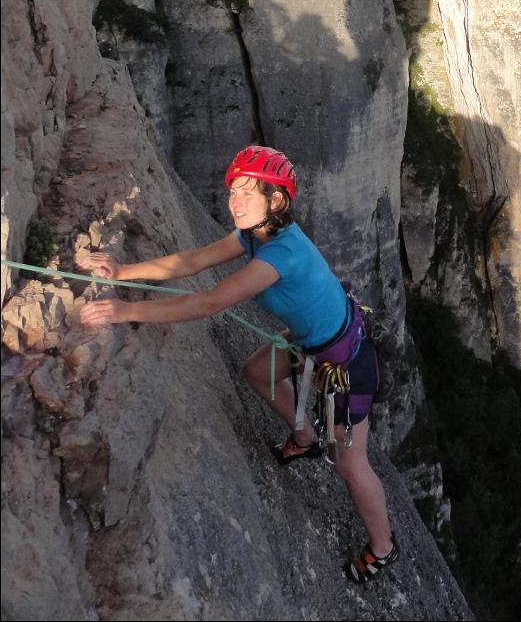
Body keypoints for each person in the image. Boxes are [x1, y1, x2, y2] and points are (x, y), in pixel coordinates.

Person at [78, 144, 398, 584]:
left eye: (249, 192)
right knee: (257, 372)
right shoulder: (254, 235)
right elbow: (191, 262)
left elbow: (209, 302)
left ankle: (383, 547)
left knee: (350, 465)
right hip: (314, 342)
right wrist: (122, 272)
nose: (235, 201)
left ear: (277, 201)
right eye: (233, 191)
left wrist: (126, 312)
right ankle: (304, 437)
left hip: (344, 363)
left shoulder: (277, 255)